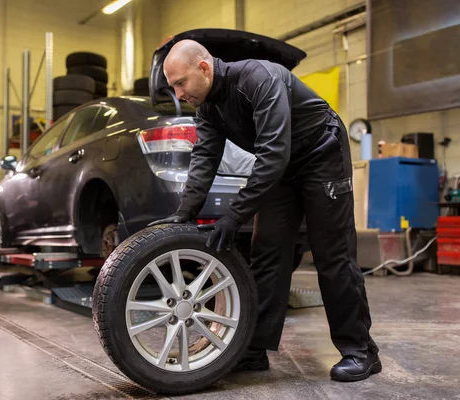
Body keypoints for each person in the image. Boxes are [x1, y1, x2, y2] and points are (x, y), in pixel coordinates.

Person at [149, 39, 381, 382]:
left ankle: (360, 351)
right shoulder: (209, 108)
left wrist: (235, 215)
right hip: (283, 166)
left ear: (204, 67)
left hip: (322, 153)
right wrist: (185, 211)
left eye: (181, 82)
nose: (179, 92)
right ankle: (253, 348)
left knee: (332, 254)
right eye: (173, 87)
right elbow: (204, 159)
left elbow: (272, 154)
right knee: (268, 253)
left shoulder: (260, 78)